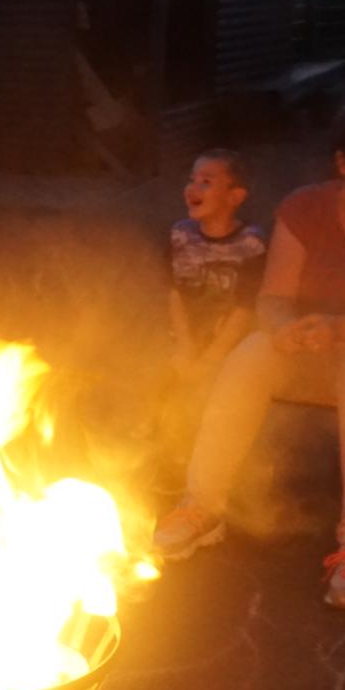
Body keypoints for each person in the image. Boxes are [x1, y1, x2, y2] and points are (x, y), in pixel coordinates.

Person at [150, 101, 345, 612]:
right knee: (255, 350)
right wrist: (283, 330)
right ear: (343, 163)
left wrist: (341, 328)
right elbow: (273, 299)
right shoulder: (304, 209)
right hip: (325, 348)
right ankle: (200, 506)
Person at [155, 149, 266, 492]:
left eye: (206, 181)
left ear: (235, 196)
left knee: (220, 388)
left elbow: (245, 309)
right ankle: (170, 457)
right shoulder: (180, 236)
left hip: (230, 342)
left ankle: (225, 469)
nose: (193, 187)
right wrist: (186, 347)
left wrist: (211, 357)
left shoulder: (251, 244)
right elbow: (172, 293)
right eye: (192, 179)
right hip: (186, 338)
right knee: (165, 380)